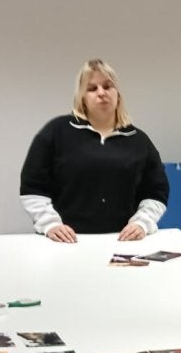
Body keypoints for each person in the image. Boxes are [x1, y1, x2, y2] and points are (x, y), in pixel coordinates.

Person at [20, 58, 168, 242]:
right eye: (92, 88)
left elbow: (156, 191)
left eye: (108, 86)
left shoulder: (138, 140)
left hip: (123, 244)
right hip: (67, 243)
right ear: (82, 96)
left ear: (117, 93)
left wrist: (142, 223)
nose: (101, 93)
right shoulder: (56, 133)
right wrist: (50, 224)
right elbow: (32, 186)